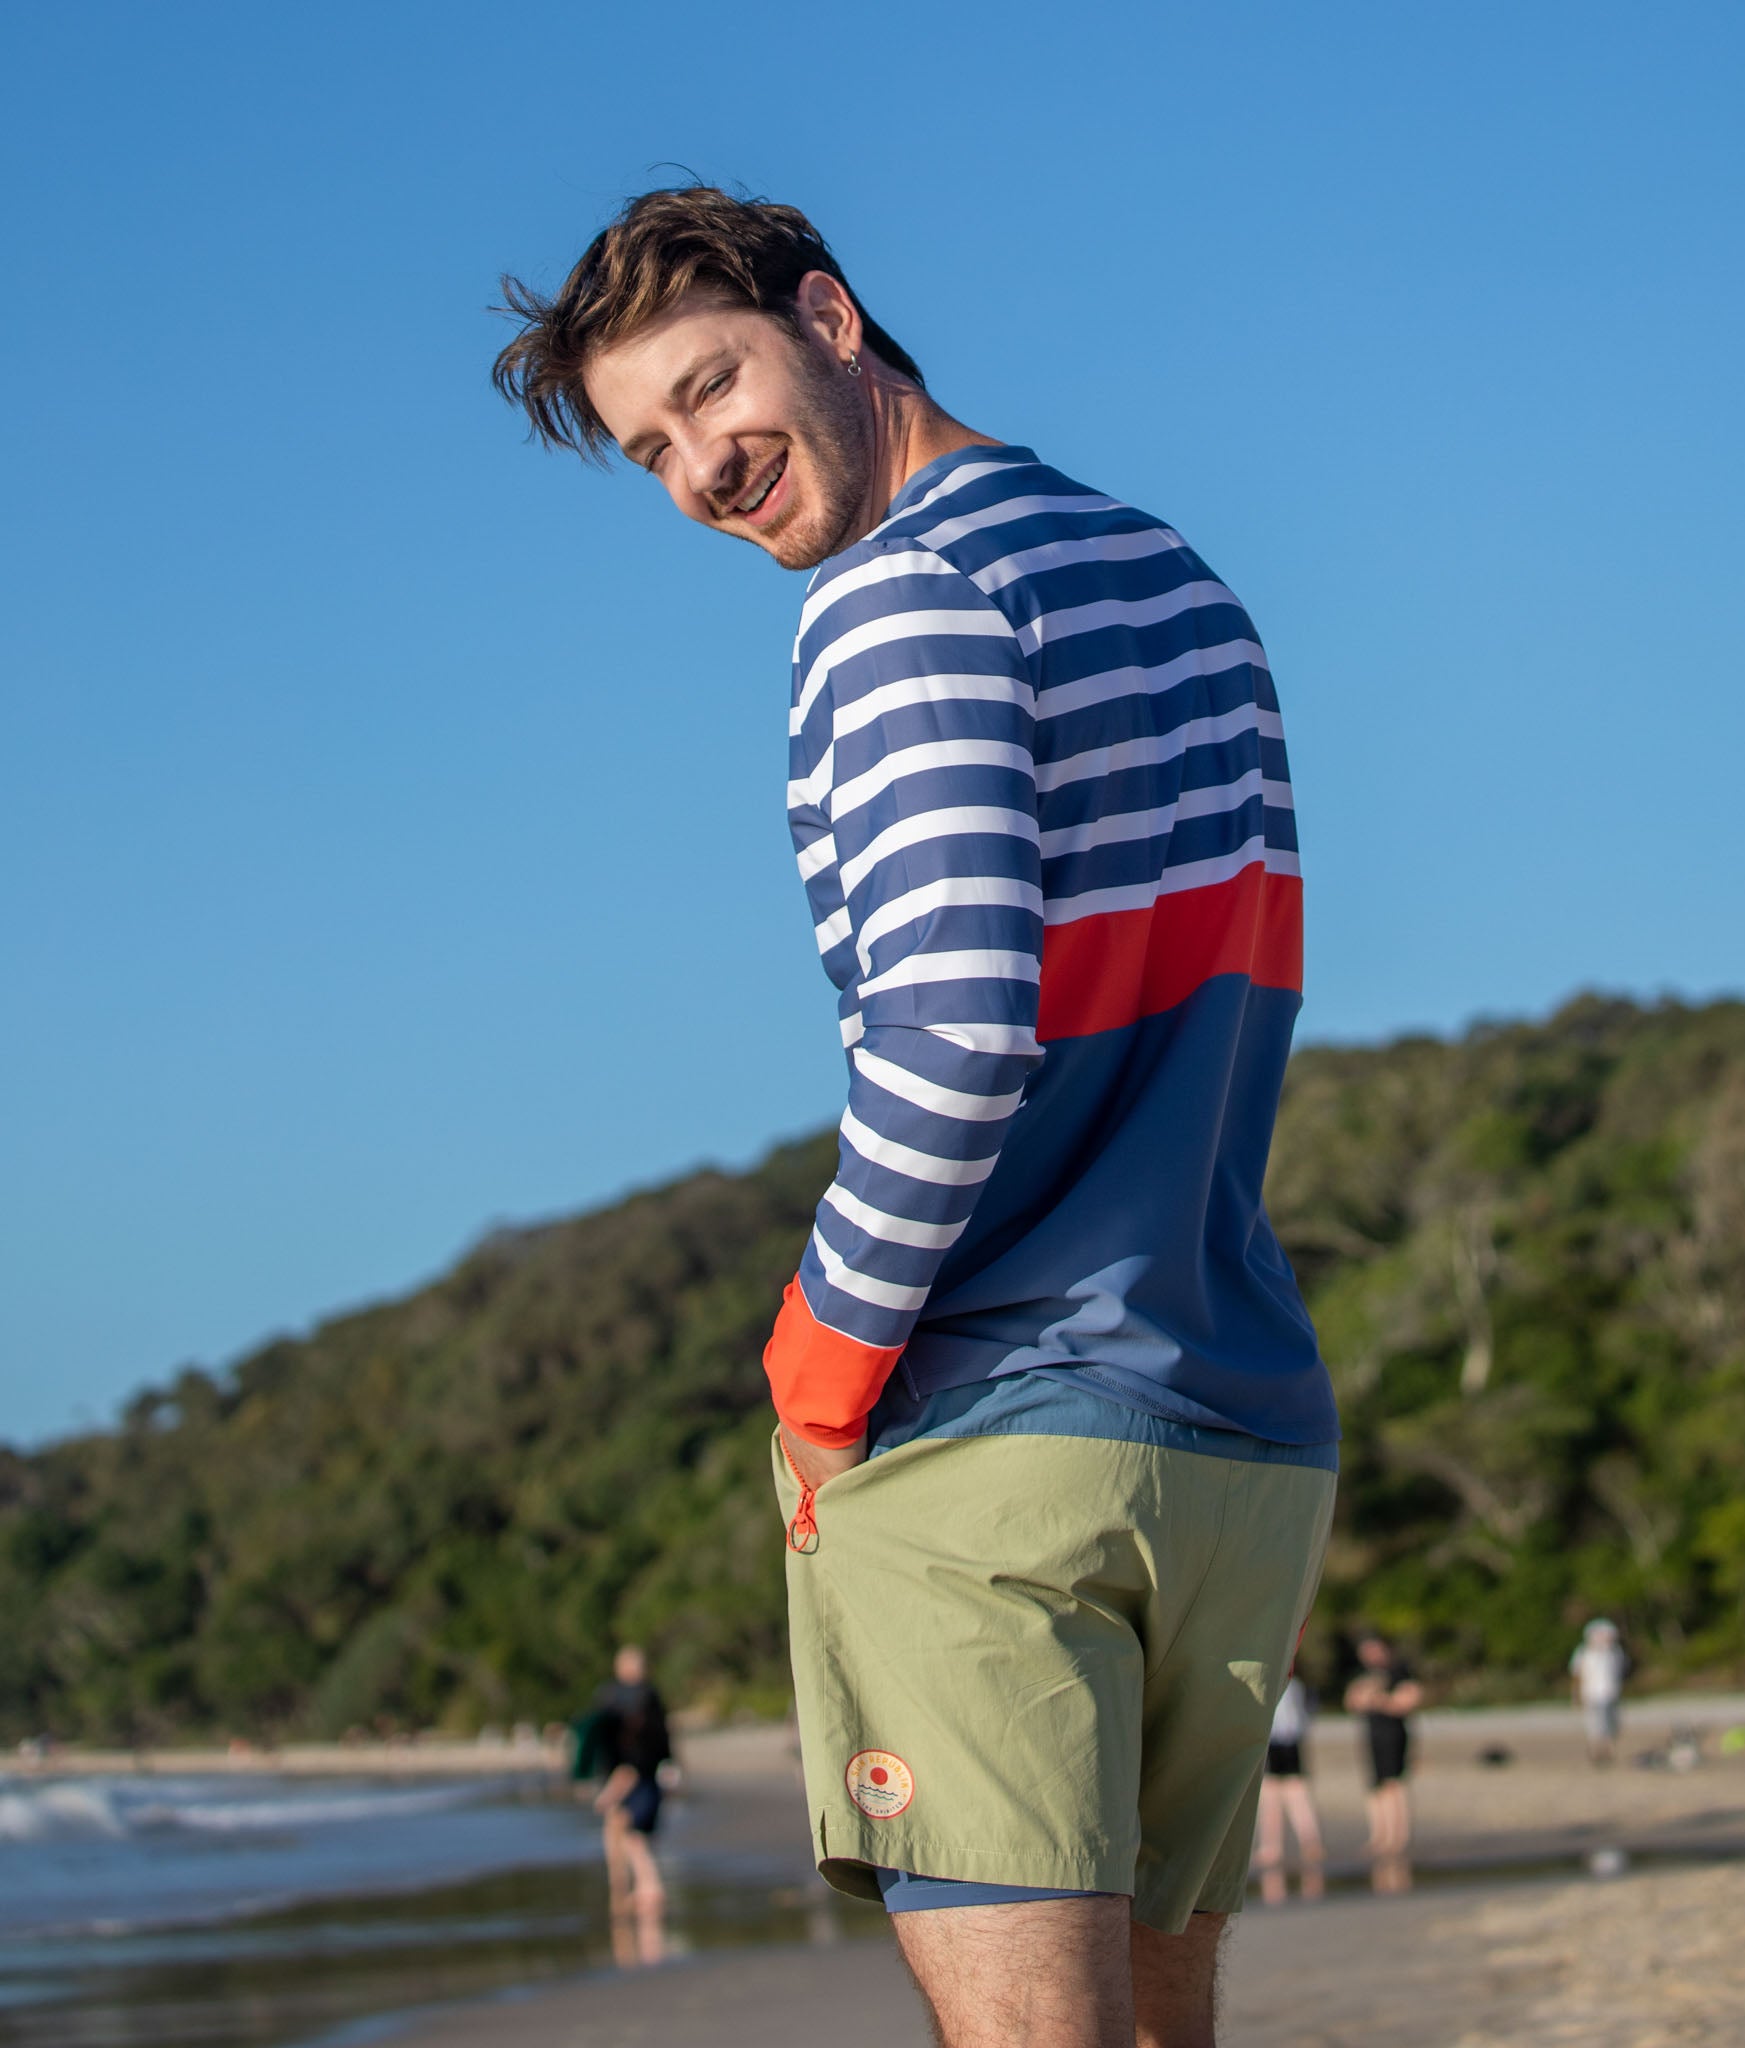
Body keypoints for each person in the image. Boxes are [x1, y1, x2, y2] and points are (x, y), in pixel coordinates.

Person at [494, 185, 1339, 2047]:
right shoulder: (1169, 572)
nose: (699, 468)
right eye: (649, 447)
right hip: (1236, 1428)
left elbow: (956, 1029)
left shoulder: (890, 599)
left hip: (997, 1446)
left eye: (713, 389)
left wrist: (815, 1362)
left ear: (834, 316)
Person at [586, 1645, 671, 1955]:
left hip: (636, 1775)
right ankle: (636, 1886)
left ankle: (646, 1887)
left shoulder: (634, 1702)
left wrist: (610, 1791)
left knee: (633, 1835)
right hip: (643, 1774)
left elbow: (633, 1761)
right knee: (631, 1833)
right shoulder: (645, 1698)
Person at [1343, 1630, 1421, 1878]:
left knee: (1394, 1784)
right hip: (1372, 1736)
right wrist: (1365, 1698)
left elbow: (1408, 1700)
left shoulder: (1399, 1670)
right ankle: (1379, 1835)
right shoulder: (1363, 1675)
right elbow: (1352, 1701)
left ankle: (1398, 1836)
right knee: (1375, 1786)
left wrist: (1377, 1700)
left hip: (1394, 1735)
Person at [1252, 1674, 1324, 1904]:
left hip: (1278, 1740)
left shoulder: (1274, 1682)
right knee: (1289, 1794)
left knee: (1279, 1794)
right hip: (1289, 1740)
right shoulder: (1296, 1684)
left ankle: (1279, 1846)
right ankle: (1303, 1842)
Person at [1570, 1618, 1628, 1766]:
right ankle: (1596, 1752)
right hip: (1591, 1694)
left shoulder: (1615, 1652)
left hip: (1611, 1693)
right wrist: (1575, 1695)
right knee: (1594, 1724)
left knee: (1611, 1724)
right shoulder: (1584, 1653)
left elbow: (1619, 1673)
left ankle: (1610, 1752)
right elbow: (1577, 1674)